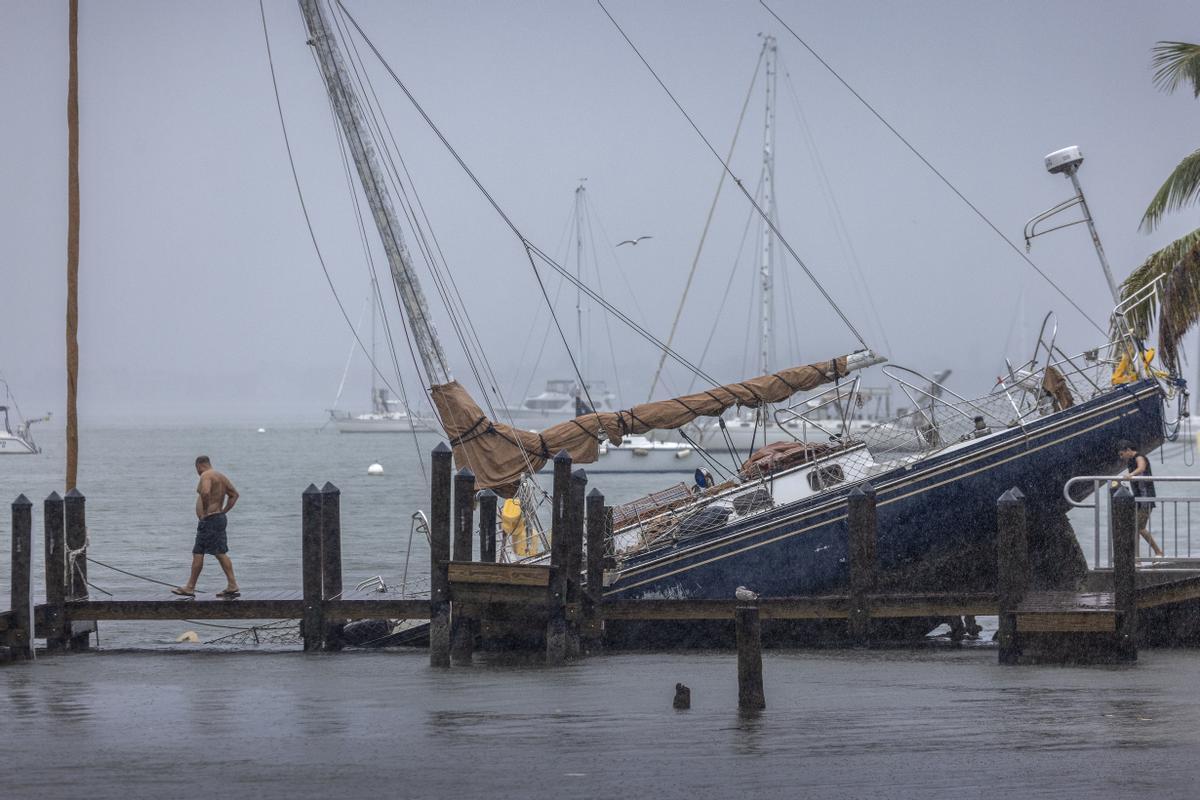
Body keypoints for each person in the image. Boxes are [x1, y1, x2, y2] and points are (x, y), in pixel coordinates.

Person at [173, 455, 241, 598]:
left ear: (199, 465)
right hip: (216, 519)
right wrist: (224, 511)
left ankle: (230, 584)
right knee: (201, 552)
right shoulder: (221, 476)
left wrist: (205, 511)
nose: (197, 472)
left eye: (196, 469)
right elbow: (234, 494)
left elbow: (205, 492)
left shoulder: (206, 475)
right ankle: (192, 587)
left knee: (217, 553)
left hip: (210, 520)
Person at [1117, 439, 1163, 557]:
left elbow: (1141, 468)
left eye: (1122, 454)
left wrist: (1130, 475)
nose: (1121, 457)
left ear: (1128, 450)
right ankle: (1136, 558)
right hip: (1138, 498)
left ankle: (1158, 552)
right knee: (1135, 527)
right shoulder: (1130, 461)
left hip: (1146, 497)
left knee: (1139, 527)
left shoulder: (1139, 457)